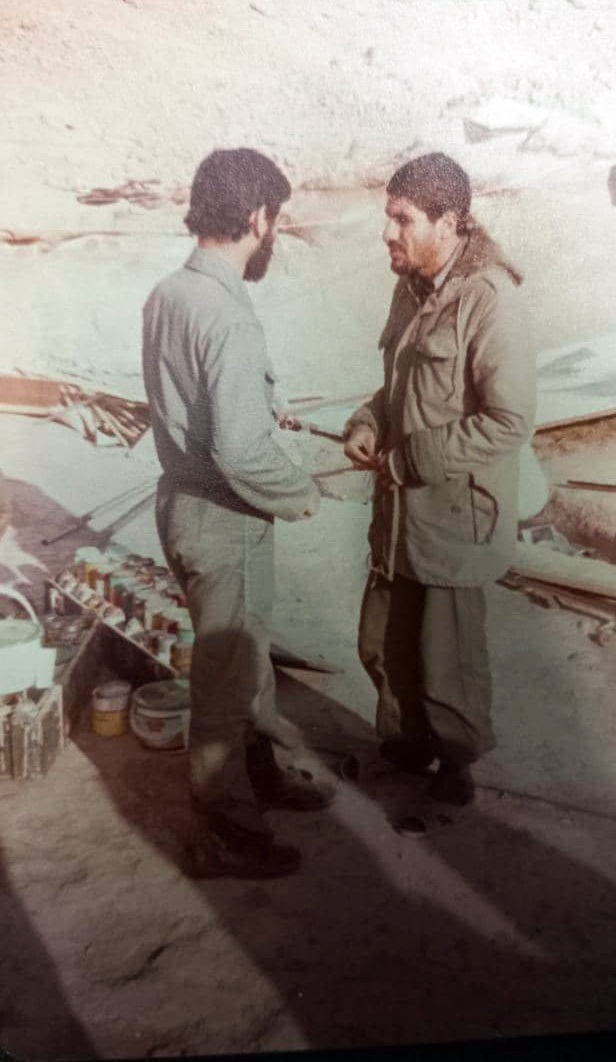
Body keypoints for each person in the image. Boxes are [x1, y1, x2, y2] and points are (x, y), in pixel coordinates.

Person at [143, 148, 332, 880]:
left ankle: (260, 781)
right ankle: (223, 834)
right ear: (257, 217)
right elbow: (239, 452)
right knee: (224, 688)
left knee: (245, 661)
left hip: (182, 506)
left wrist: (258, 404)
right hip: (223, 518)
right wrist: (302, 493)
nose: (273, 233)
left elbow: (193, 399)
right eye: (274, 219)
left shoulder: (170, 292)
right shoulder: (227, 315)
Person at [344, 152, 536, 805]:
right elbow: (396, 387)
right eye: (388, 217)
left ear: (448, 222)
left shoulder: (489, 301)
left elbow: (509, 421)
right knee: (382, 642)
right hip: (399, 513)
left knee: (446, 663)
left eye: (402, 219)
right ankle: (407, 747)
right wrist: (368, 422)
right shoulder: (410, 287)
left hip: (454, 515)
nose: (387, 232)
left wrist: (413, 459)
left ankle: (455, 776)